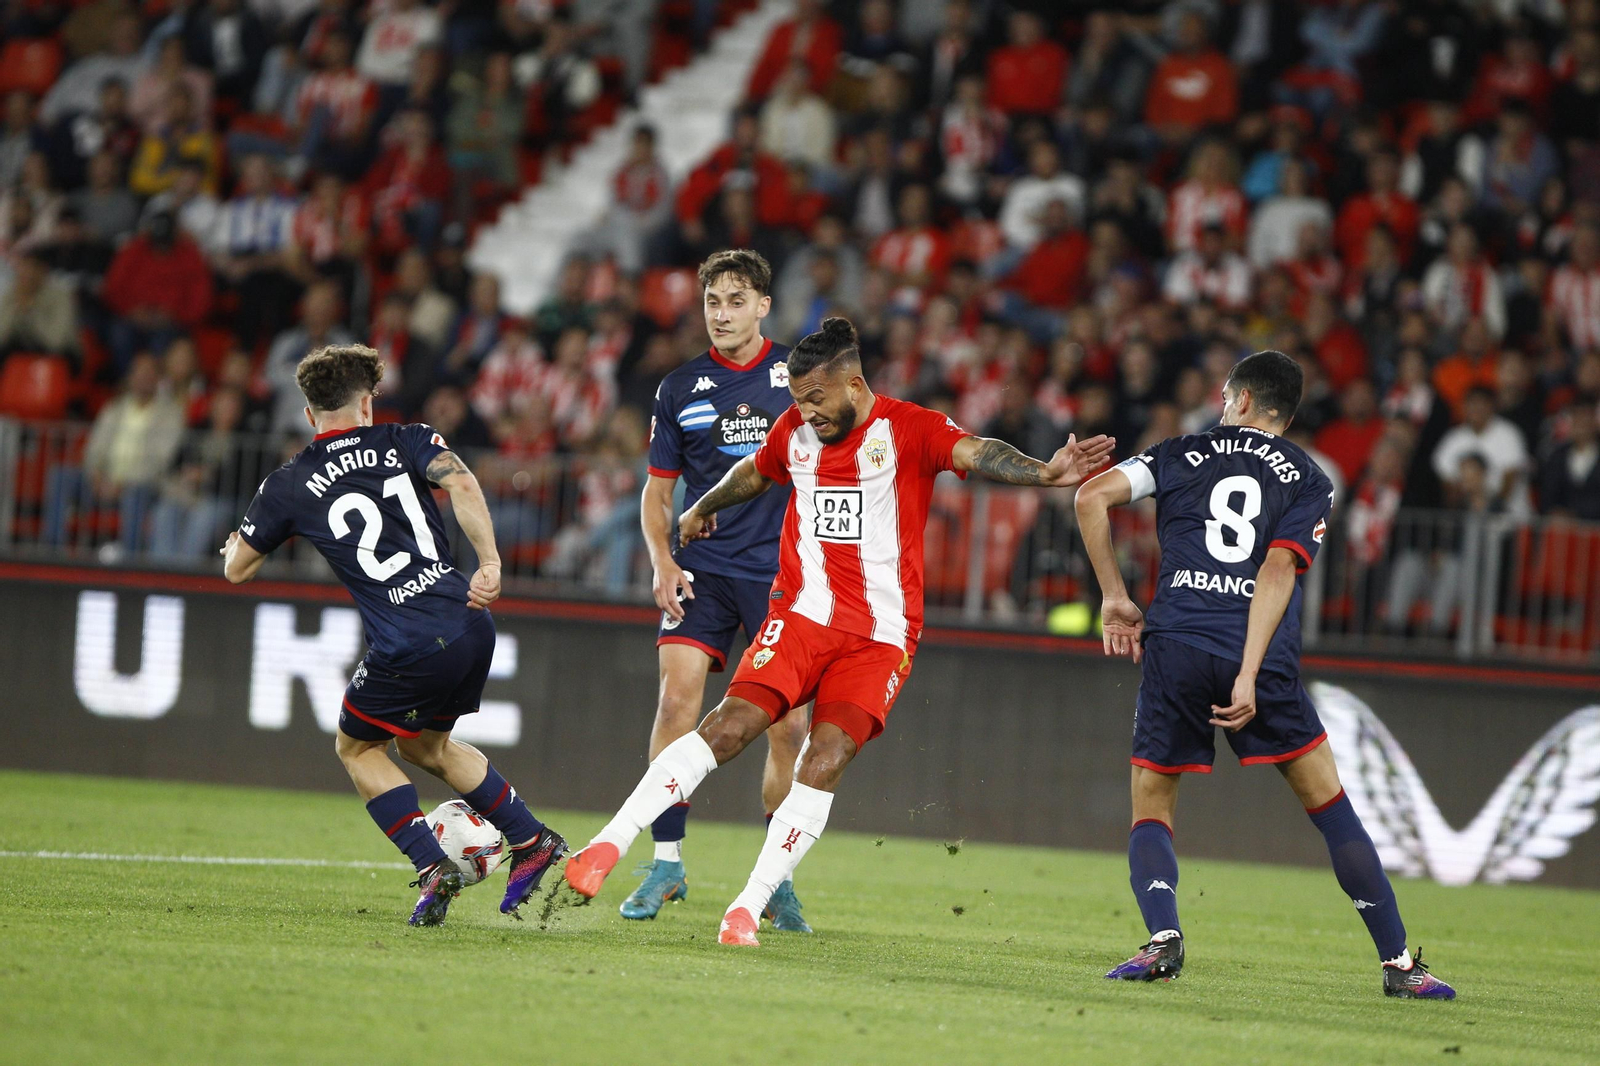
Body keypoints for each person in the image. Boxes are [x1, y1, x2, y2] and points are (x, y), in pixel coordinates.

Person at [562, 316, 1116, 946]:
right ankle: (608, 845)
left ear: (854, 384)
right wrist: (698, 508)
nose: (807, 413)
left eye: (817, 400)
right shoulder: (795, 431)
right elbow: (755, 471)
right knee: (729, 725)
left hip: (881, 638)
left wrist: (1044, 473)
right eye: (798, 401)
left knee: (824, 758)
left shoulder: (912, 428)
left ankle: (748, 905)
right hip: (801, 617)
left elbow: (977, 451)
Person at [1073, 349, 1455, 999]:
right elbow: (1278, 570)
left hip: (1179, 646)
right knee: (1332, 810)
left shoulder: (1180, 451)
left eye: (1226, 396)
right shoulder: (1310, 476)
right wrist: (1249, 673)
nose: (1221, 405)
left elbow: (1090, 497)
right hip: (1262, 659)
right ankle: (1399, 965)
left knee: (1153, 801)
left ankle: (1162, 940)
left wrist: (1113, 595)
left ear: (1243, 401)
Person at [220, 345, 567, 926]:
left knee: (356, 747)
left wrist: (236, 544)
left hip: (407, 641)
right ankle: (532, 843)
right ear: (367, 401)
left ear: (309, 414)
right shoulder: (408, 438)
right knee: (424, 747)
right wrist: (490, 564)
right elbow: (462, 482)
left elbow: (238, 569)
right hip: (468, 620)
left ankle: (434, 869)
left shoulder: (288, 482)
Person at [615, 249, 806, 926]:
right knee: (676, 703)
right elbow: (656, 492)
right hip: (705, 573)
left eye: (735, 301)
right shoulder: (678, 389)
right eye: (712, 303)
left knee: (789, 728)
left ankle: (774, 878)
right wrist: (663, 561)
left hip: (785, 579)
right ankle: (667, 863)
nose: (721, 315)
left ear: (762, 306)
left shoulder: (803, 379)